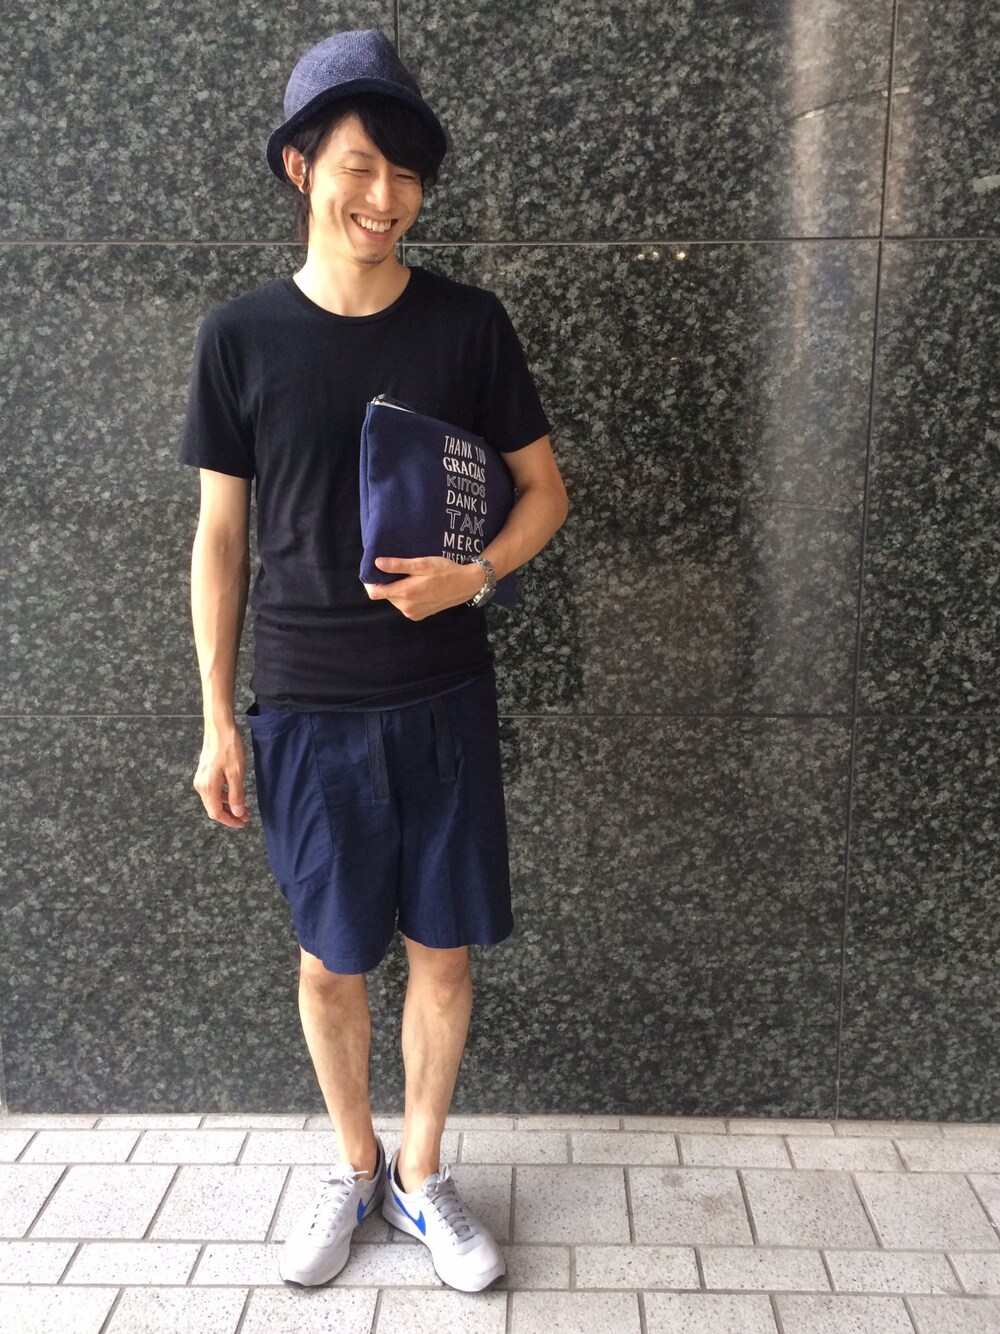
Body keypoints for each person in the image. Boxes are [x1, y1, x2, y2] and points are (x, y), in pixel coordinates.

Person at [177, 29, 567, 1295]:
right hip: (304, 704)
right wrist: (216, 717)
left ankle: (422, 1172)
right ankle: (354, 1165)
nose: (385, 196)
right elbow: (221, 537)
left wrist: (477, 574)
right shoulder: (239, 337)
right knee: (329, 958)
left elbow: (544, 493)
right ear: (302, 167)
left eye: (407, 173)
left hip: (444, 694)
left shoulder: (467, 325)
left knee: (444, 952)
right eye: (359, 164)